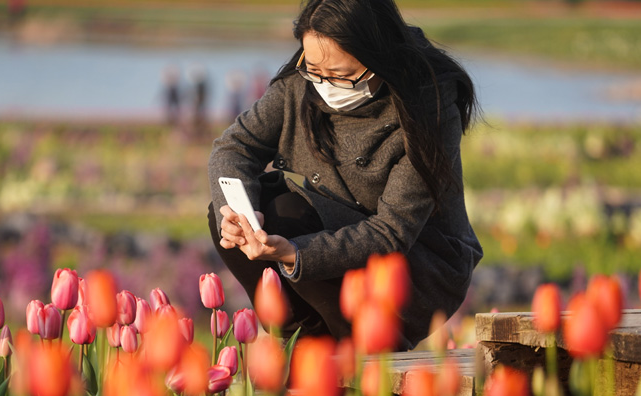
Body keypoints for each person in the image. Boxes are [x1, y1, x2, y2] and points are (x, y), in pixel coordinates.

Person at [207, 0, 483, 349]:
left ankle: (372, 349)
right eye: (314, 70)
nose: (325, 84)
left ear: (380, 57)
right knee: (233, 215)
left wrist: (295, 253)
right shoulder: (302, 79)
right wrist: (236, 212)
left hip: (416, 263)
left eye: (341, 75)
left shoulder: (430, 107)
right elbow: (234, 147)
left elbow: (391, 233)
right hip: (334, 231)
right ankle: (303, 343)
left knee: (287, 216)